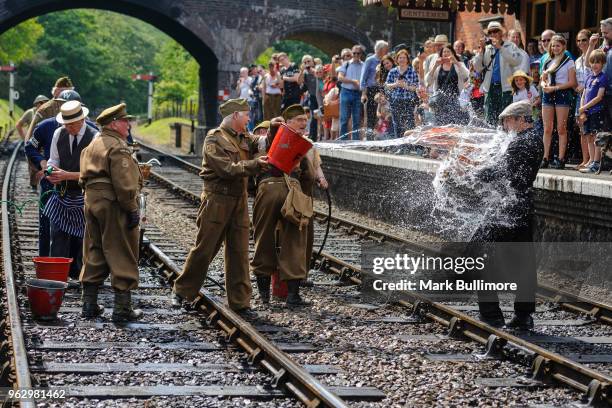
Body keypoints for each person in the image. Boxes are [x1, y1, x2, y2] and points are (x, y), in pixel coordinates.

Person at [171, 99, 268, 316]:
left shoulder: (243, 136)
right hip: (217, 200)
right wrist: (255, 164)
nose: (249, 118)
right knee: (205, 249)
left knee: (240, 253)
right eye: (245, 114)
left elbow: (260, 142)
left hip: (239, 201)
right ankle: (182, 291)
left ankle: (240, 302)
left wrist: (278, 132)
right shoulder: (214, 138)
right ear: (235, 116)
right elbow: (226, 169)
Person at [471, 100, 543, 329]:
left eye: (508, 121)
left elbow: (501, 171)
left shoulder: (521, 144)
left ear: (521, 119)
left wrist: (473, 171)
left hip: (506, 208)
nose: (504, 126)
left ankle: (491, 314)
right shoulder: (534, 139)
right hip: (522, 206)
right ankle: (523, 315)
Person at [79, 103, 143, 321]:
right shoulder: (118, 147)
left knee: (95, 248)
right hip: (113, 202)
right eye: (125, 121)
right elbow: (124, 185)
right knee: (121, 248)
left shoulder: (93, 144)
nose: (129, 125)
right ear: (114, 124)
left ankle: (89, 303)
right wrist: (132, 208)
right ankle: (122, 308)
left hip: (92, 200)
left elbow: (82, 176)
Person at [250, 105, 313, 307]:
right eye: (300, 120)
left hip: (267, 188)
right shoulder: (301, 142)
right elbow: (309, 175)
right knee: (294, 241)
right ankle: (293, 296)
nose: (304, 124)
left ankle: (264, 296)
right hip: (292, 190)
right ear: (291, 121)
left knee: (263, 237)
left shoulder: (263, 137)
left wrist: (254, 190)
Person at [42, 101, 97, 280]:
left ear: (82, 120)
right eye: (66, 123)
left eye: (72, 123)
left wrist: (67, 175)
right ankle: (56, 277)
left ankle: (80, 277)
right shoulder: (59, 134)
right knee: (57, 236)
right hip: (62, 195)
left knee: (83, 240)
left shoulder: (95, 137)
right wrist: (50, 171)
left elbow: (95, 172)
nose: (69, 127)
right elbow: (53, 160)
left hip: (85, 197)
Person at [473, 22, 522, 125]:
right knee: (490, 119)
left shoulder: (510, 46)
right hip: (490, 88)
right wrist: (481, 51)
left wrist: (500, 48)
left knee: (505, 118)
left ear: (501, 33)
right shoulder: (487, 48)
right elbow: (477, 68)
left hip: (506, 88)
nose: (493, 34)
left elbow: (516, 61)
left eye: (495, 31)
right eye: (490, 32)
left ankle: (505, 139)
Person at [540, 35, 577, 169]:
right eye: (553, 45)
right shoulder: (547, 61)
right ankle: (545, 157)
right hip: (547, 94)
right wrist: (544, 85)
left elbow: (573, 82)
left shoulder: (569, 62)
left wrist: (554, 87)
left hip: (561, 93)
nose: (555, 48)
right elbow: (542, 78)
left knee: (561, 128)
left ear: (563, 47)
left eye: (558, 45)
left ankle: (561, 159)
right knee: (547, 128)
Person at [578, 50, 608, 174]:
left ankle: (596, 162)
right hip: (587, 112)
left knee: (596, 137)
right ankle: (591, 161)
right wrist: (582, 110)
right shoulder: (589, 77)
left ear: (603, 64)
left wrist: (585, 107)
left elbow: (599, 97)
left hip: (597, 111)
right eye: (593, 62)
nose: (595, 64)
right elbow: (583, 94)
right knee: (588, 136)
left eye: (598, 62)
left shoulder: (602, 78)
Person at [425, 44, 470, 126]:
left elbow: (466, 76)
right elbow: (428, 81)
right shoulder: (437, 66)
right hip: (440, 100)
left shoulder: (458, 64)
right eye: (444, 52)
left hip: (455, 99)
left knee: (454, 123)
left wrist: (456, 62)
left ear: (452, 53)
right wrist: (435, 66)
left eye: (448, 51)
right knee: (441, 124)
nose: (446, 53)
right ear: (441, 55)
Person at [385, 49, 419, 137]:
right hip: (395, 100)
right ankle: (400, 146)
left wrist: (406, 86)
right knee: (397, 124)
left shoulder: (412, 71)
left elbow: (415, 87)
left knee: (410, 123)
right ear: (397, 59)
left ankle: (409, 145)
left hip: (408, 100)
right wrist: (396, 84)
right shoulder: (392, 71)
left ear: (407, 60)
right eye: (400, 58)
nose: (402, 60)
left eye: (404, 58)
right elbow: (387, 85)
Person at [574, 29, 593, 170]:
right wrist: (576, 86)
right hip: (580, 96)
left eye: (584, 40)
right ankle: (585, 159)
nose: (581, 43)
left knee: (591, 129)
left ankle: (592, 160)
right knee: (582, 129)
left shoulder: (594, 56)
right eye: (578, 40)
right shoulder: (577, 60)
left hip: (591, 95)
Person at [360, 40, 389, 131]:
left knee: (383, 114)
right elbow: (363, 77)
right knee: (371, 114)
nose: (387, 51)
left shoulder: (386, 60)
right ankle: (370, 137)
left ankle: (381, 135)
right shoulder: (370, 60)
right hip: (371, 90)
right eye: (385, 49)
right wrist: (364, 93)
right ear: (380, 50)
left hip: (383, 89)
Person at [338, 44, 365, 139]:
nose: (356, 55)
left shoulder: (363, 65)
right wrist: (353, 81)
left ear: (361, 54)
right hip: (346, 91)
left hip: (358, 93)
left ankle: (355, 141)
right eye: (354, 53)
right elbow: (340, 77)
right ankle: (343, 140)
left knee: (356, 119)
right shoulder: (346, 64)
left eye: (358, 53)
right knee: (344, 118)